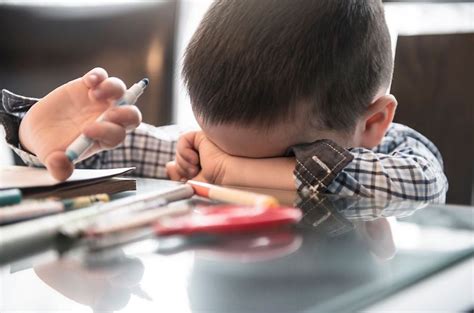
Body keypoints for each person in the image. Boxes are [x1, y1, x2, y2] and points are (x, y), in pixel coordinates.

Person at [1, 0, 447, 202]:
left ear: (373, 124)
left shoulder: (396, 152)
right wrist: (37, 137)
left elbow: (422, 183)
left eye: (287, 157)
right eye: (217, 146)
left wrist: (228, 170)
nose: (216, 159)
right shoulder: (213, 149)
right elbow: (133, 150)